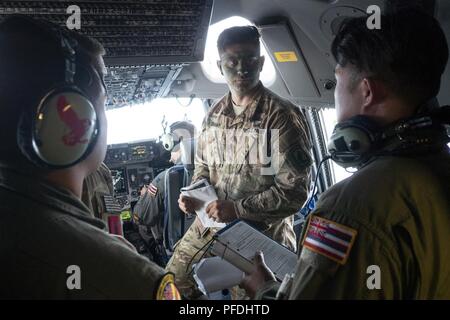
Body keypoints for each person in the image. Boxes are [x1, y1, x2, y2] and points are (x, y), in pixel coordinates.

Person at [241, 9, 450, 299]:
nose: (335, 93)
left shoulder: (351, 208)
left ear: (367, 91)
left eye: (337, 80)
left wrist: (264, 291)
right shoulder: (438, 166)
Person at [0, 15, 180, 299]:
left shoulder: (102, 174)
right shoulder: (130, 280)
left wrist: (110, 240)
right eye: (104, 101)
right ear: (74, 119)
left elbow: (112, 212)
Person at [166, 26, 313, 298]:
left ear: (261, 63)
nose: (242, 69)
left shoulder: (280, 117)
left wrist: (238, 209)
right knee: (169, 286)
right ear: (220, 66)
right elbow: (203, 168)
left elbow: (295, 192)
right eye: (232, 62)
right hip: (210, 226)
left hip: (260, 236)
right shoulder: (213, 115)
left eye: (249, 60)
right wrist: (193, 195)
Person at [133, 121, 196, 267]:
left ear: (173, 142)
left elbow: (142, 217)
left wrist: (144, 196)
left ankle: (157, 264)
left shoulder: (164, 178)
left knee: (139, 223)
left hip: (178, 250)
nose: (168, 157)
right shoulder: (211, 168)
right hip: (206, 242)